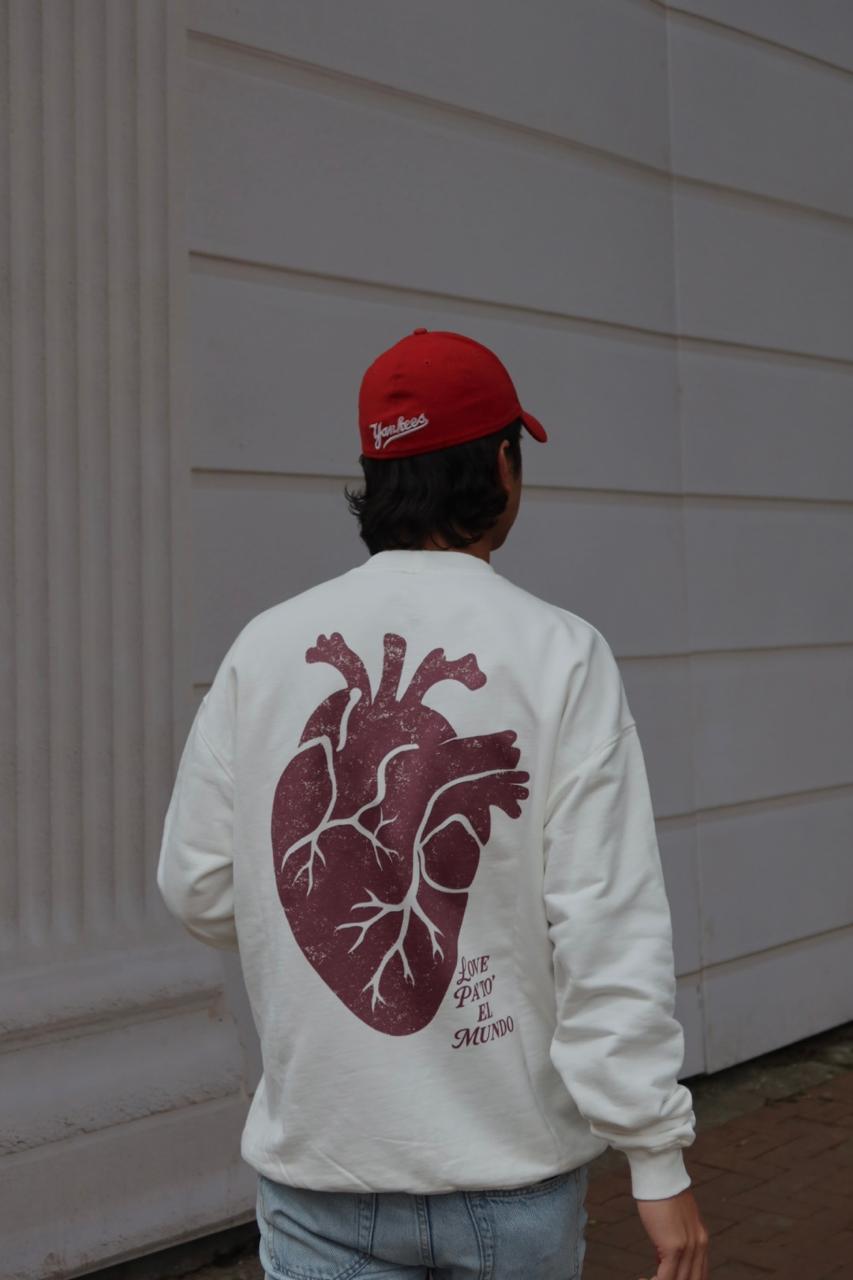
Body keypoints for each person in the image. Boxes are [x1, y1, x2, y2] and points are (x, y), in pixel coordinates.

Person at [157, 328, 710, 1280]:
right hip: (508, 1174)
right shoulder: (559, 653)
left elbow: (199, 886)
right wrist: (654, 1155)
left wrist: (312, 908)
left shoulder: (264, 649)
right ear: (501, 465)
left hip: (322, 1170)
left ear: (376, 477)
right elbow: (605, 924)